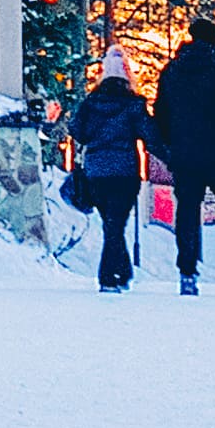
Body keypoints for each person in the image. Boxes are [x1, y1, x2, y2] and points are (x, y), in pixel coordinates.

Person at [154, 13, 215, 297]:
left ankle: (187, 273)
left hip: (184, 155)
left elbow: (160, 113)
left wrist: (168, 149)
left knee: (186, 212)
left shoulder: (171, 72)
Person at [68, 54, 151, 291]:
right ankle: (108, 277)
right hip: (125, 172)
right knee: (116, 224)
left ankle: (122, 273)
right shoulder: (134, 104)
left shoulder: (90, 103)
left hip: (97, 172)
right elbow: (150, 135)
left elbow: (77, 131)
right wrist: (171, 157)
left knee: (111, 224)